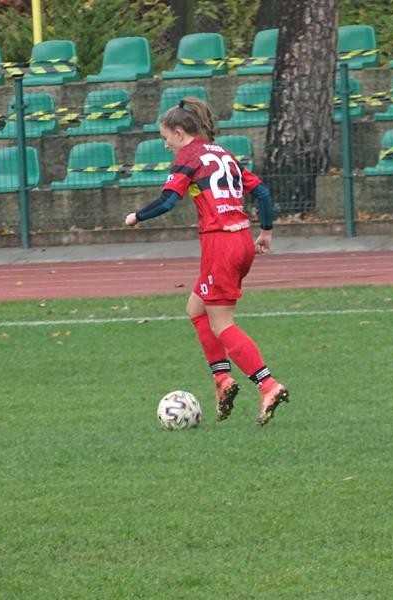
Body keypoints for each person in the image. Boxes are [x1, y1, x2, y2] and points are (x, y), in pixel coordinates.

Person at [124, 97, 288, 427]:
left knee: (222, 324)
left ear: (179, 132)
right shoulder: (223, 153)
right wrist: (266, 232)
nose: (166, 145)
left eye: (165, 138)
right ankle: (222, 379)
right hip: (242, 240)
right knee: (196, 308)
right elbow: (263, 193)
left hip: (220, 245)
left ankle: (268, 385)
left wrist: (137, 216)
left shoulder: (189, 156)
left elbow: (168, 201)